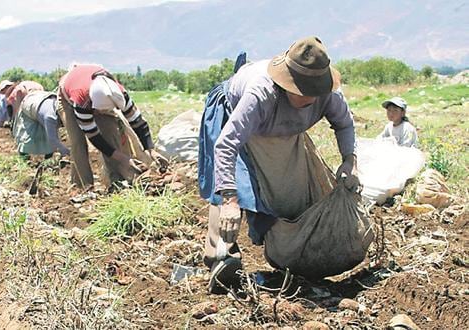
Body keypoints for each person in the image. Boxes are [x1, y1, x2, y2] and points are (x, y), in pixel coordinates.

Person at [198, 36, 359, 293]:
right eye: (303, 91)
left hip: (283, 132)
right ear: (287, 83)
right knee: (236, 188)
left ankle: (299, 250)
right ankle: (222, 256)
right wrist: (229, 200)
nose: (311, 98)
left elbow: (344, 123)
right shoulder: (261, 93)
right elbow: (226, 145)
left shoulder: (326, 94)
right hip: (234, 116)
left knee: (291, 192)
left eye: (315, 91)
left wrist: (350, 161)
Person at [58, 64, 168, 187]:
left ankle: (117, 182)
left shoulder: (120, 94)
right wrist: (123, 158)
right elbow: (94, 137)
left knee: (110, 133)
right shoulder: (81, 102)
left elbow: (139, 123)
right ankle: (83, 186)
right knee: (78, 142)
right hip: (67, 97)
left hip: (91, 93)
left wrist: (151, 150)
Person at [13, 91, 70, 160]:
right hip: (30, 103)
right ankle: (23, 156)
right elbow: (53, 139)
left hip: (43, 99)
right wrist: (69, 153)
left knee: (48, 134)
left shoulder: (63, 110)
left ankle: (48, 157)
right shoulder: (50, 117)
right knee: (28, 135)